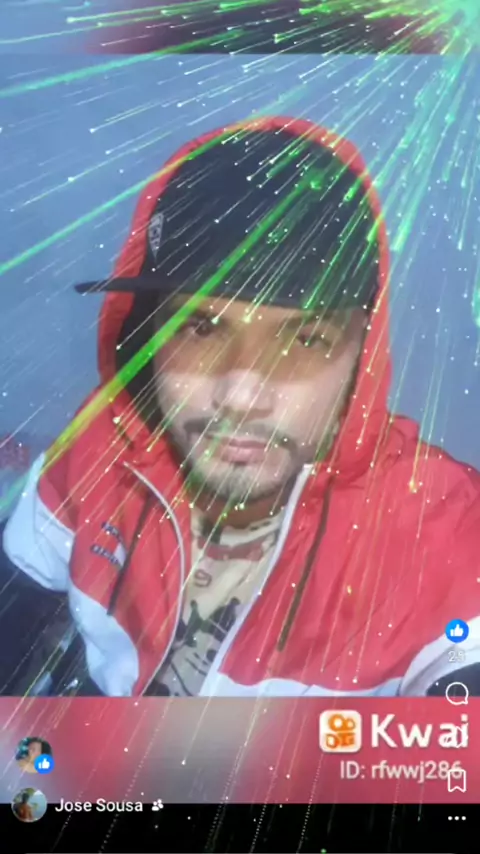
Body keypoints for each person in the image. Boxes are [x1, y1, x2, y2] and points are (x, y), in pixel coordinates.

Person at [0, 115, 479, 698]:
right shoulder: (97, 447)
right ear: (148, 334)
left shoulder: (448, 536)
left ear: (364, 355)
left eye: (306, 340)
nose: (243, 395)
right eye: (201, 328)